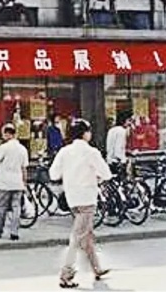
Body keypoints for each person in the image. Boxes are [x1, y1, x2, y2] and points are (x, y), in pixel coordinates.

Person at [49, 119, 112, 289]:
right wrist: (95, 176)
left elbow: (53, 174)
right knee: (77, 237)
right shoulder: (91, 152)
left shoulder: (64, 151)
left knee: (86, 235)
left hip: (72, 199)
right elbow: (106, 174)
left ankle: (97, 268)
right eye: (89, 131)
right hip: (87, 199)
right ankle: (66, 273)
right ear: (85, 133)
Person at [0, 123, 29, 241]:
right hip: (17, 182)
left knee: (1, 207)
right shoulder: (22, 149)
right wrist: (24, 183)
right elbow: (24, 168)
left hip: (4, 182)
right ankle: (14, 232)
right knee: (16, 207)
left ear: (8, 134)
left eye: (4, 133)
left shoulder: (4, 147)